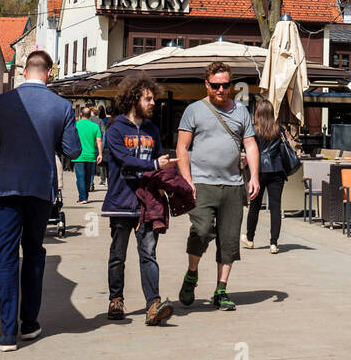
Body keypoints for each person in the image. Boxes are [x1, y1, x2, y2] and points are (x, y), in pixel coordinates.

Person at [0, 51, 81, 351]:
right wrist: (52, 138)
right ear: (48, 73)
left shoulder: (2, 104)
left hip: (5, 190)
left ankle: (6, 333)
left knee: (5, 258)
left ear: (25, 70)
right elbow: (73, 150)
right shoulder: (61, 106)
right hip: (40, 191)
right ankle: (29, 323)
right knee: (33, 254)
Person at [176, 63, 260, 312]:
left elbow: (251, 145)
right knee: (200, 231)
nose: (221, 89)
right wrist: (187, 180)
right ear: (207, 85)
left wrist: (254, 176)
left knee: (229, 240)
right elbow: (182, 148)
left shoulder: (241, 112)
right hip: (202, 183)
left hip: (233, 185)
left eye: (225, 85)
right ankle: (192, 274)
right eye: (216, 85)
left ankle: (221, 290)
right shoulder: (194, 110)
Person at [101, 75, 176, 325]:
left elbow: (160, 164)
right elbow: (123, 159)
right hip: (120, 202)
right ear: (134, 99)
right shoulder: (115, 129)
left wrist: (171, 183)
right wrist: (154, 163)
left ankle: (153, 304)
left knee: (148, 254)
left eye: (153, 98)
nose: (153, 102)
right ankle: (116, 299)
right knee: (118, 255)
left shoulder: (152, 130)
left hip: (146, 203)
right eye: (148, 98)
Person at [243, 100, 293, 254]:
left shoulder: (253, 129)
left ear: (257, 112)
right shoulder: (279, 129)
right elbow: (288, 144)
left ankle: (250, 238)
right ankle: (273, 243)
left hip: (258, 171)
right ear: (272, 112)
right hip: (277, 170)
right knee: (276, 207)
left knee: (255, 206)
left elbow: (246, 147)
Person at [73, 105, 102, 204]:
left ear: (81, 114)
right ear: (90, 115)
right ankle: (85, 195)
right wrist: (100, 154)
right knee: (88, 177)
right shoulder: (95, 126)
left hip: (78, 155)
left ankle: (82, 197)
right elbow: (99, 141)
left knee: (80, 177)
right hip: (91, 155)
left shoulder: (76, 125)